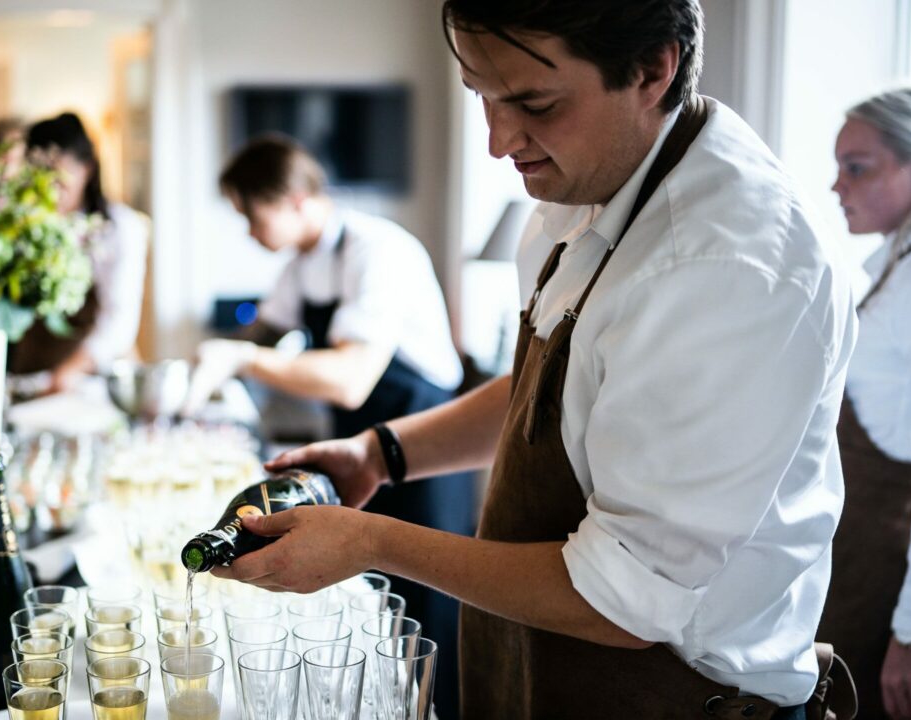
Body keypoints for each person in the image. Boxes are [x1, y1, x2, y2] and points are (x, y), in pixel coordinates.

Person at [210, 1, 860, 718]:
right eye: (482, 97)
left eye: (533, 103)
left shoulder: (726, 268)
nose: (497, 140)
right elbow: (547, 388)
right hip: (544, 667)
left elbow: (624, 601)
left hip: (673, 695)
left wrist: (369, 542)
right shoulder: (587, 188)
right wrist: (383, 452)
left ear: (652, 70)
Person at [184, 134, 474, 717]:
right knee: (373, 602)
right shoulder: (303, 265)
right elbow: (261, 335)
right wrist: (212, 355)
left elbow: (350, 379)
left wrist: (239, 360)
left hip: (424, 448)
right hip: (359, 450)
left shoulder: (378, 250)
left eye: (250, 213)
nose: (247, 230)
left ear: (292, 199)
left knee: (427, 614)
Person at [819, 87, 911, 720]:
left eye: (858, 166)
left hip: (888, 569)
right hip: (854, 555)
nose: (836, 185)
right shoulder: (893, 271)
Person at [8, 112, 149, 392]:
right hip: (26, 374)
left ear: (86, 168)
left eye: (58, 174)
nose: (48, 186)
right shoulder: (20, 225)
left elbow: (118, 323)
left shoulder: (120, 228)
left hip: (91, 379)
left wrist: (67, 373)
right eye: (38, 173)